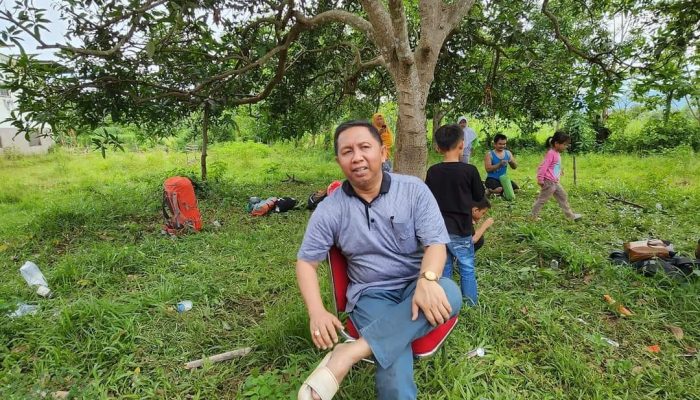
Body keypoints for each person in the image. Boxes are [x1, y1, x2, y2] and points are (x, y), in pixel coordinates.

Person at [296, 120, 462, 400]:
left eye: (365, 147)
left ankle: (349, 352)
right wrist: (317, 311)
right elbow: (306, 263)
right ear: (339, 161)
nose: (357, 157)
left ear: (383, 153)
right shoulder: (330, 209)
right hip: (371, 293)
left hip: (415, 281)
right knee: (394, 358)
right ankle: (370, 348)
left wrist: (427, 279)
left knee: (450, 292)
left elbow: (436, 244)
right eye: (347, 151)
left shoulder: (414, 191)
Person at [425, 124, 485, 306]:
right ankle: (470, 303)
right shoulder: (470, 171)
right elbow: (478, 196)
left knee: (445, 266)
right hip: (462, 228)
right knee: (466, 266)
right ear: (462, 144)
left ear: (439, 147)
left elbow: (428, 199)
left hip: (439, 230)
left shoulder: (433, 171)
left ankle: (448, 303)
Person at [531, 131, 582, 221]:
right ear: (556, 143)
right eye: (565, 145)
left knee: (563, 196)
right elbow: (544, 166)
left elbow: (554, 165)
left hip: (554, 182)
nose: (566, 147)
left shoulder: (557, 153)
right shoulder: (551, 153)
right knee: (542, 199)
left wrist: (559, 170)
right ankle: (532, 216)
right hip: (548, 182)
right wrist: (540, 179)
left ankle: (570, 216)